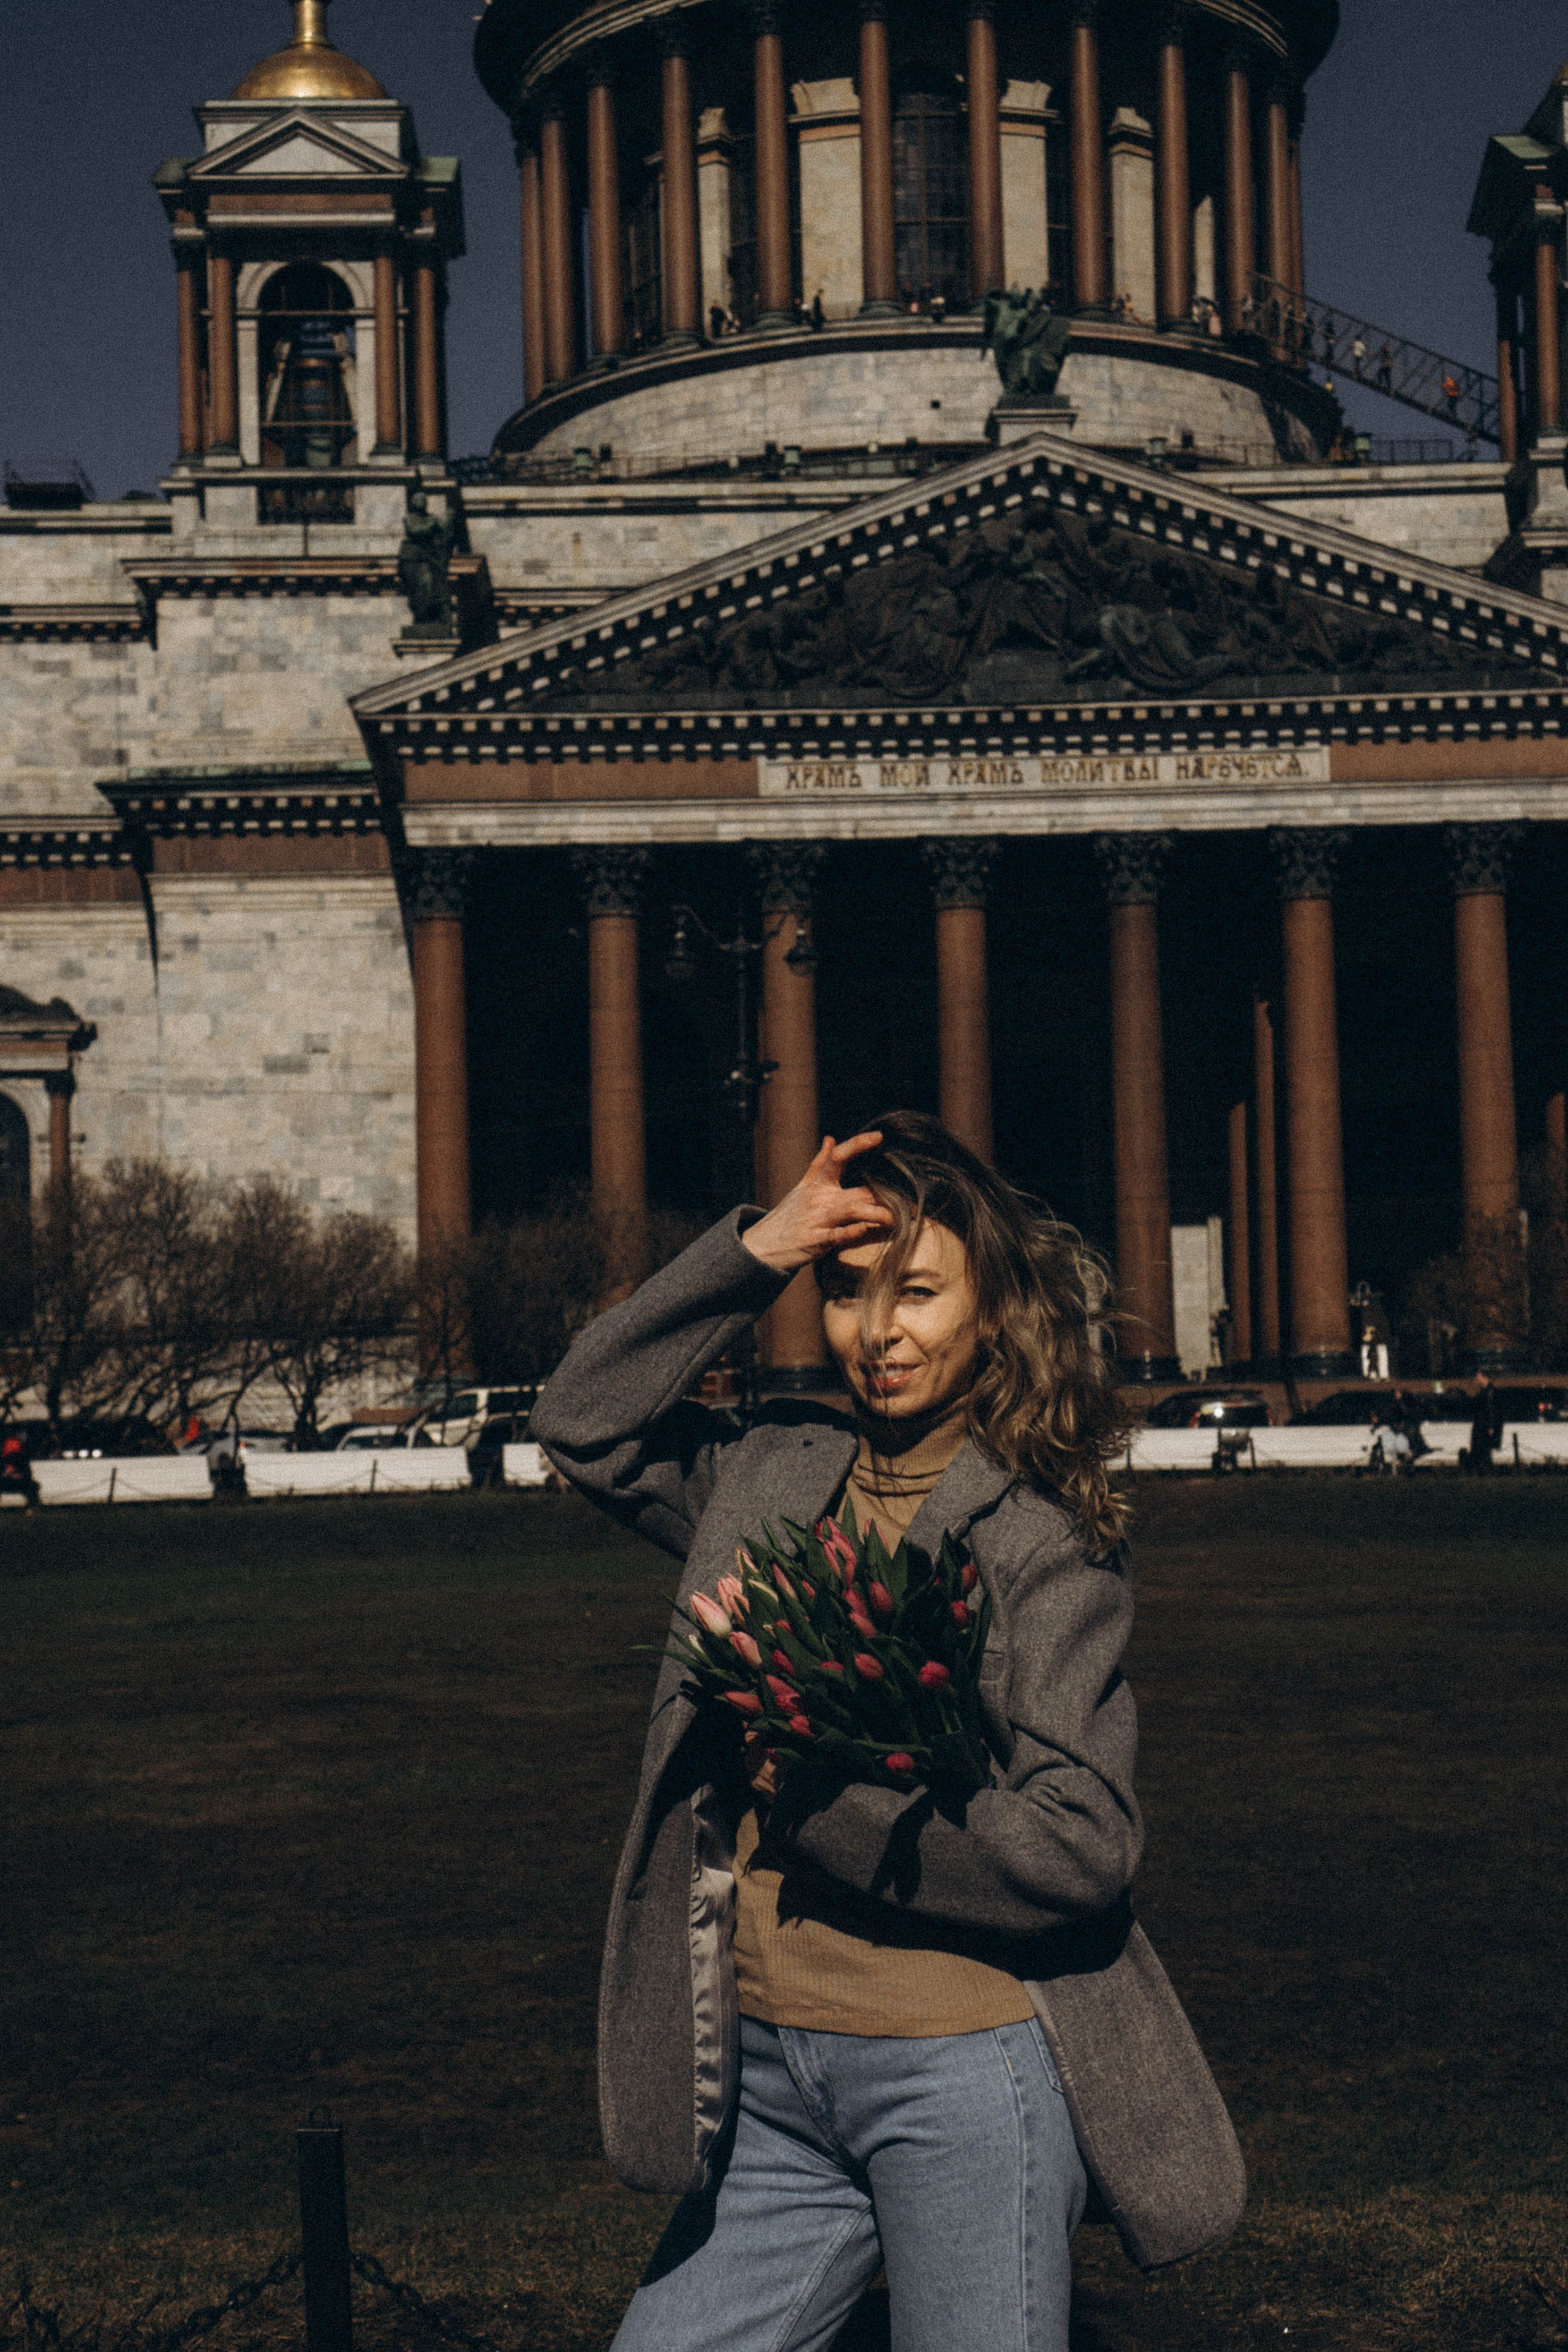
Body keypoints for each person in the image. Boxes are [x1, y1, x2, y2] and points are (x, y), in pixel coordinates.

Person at [533, 1113, 1245, 2352]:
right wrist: (761, 1248)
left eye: (917, 1291)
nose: (877, 1331)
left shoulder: (1042, 1536)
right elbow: (582, 1420)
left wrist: (819, 1800)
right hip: (765, 2080)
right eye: (849, 1292)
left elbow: (1080, 1849)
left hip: (958, 2077)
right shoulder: (765, 1476)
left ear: (990, 1309)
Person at [1468, 1372, 1505, 1474]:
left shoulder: (1489, 1392)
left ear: (1485, 1378)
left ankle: (1485, 1470)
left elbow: (1491, 1410)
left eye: (1478, 1378)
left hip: (1484, 1426)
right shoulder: (1488, 1391)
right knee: (1484, 1451)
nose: (1476, 1380)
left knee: (1484, 1450)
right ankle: (1485, 1470)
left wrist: (1491, 1427)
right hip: (1483, 1425)